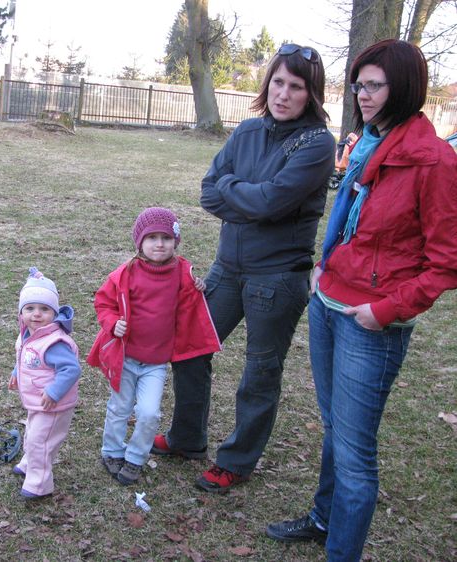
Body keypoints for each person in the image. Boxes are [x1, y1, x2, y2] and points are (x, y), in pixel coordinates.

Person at [266, 39, 457, 561]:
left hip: (370, 322)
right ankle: (324, 519)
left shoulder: (433, 161)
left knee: (354, 454)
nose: (362, 95)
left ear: (405, 88)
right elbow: (351, 225)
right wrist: (325, 266)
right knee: (335, 428)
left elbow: (446, 263)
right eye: (358, 85)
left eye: (375, 85)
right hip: (329, 304)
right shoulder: (370, 143)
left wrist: (386, 311)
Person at [151, 44, 335, 492]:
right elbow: (209, 191)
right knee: (189, 347)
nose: (283, 94)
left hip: (277, 277)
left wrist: (237, 190)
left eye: (296, 86)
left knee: (259, 373)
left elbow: (270, 201)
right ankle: (187, 437)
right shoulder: (248, 130)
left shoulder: (318, 144)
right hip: (227, 270)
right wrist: (250, 197)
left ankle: (236, 461)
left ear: (311, 94)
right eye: (278, 82)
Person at [87, 207, 221, 486]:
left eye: (166, 238)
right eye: (151, 238)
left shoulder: (182, 271)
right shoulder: (125, 273)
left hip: (155, 364)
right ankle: (112, 451)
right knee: (120, 408)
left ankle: (136, 457)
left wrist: (199, 285)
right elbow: (103, 302)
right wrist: (112, 323)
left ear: (176, 241)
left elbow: (190, 301)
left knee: (149, 413)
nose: (159, 244)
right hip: (126, 358)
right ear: (139, 242)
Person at [9, 267, 81, 500]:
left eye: (44, 309)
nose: (36, 315)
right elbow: (26, 358)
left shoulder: (54, 342)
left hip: (54, 403)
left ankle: (39, 484)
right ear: (21, 312)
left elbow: (71, 369)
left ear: (54, 313)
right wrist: (17, 372)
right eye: (29, 308)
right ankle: (30, 462)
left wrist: (54, 392)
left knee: (42, 440)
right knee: (33, 433)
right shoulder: (28, 334)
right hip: (38, 400)